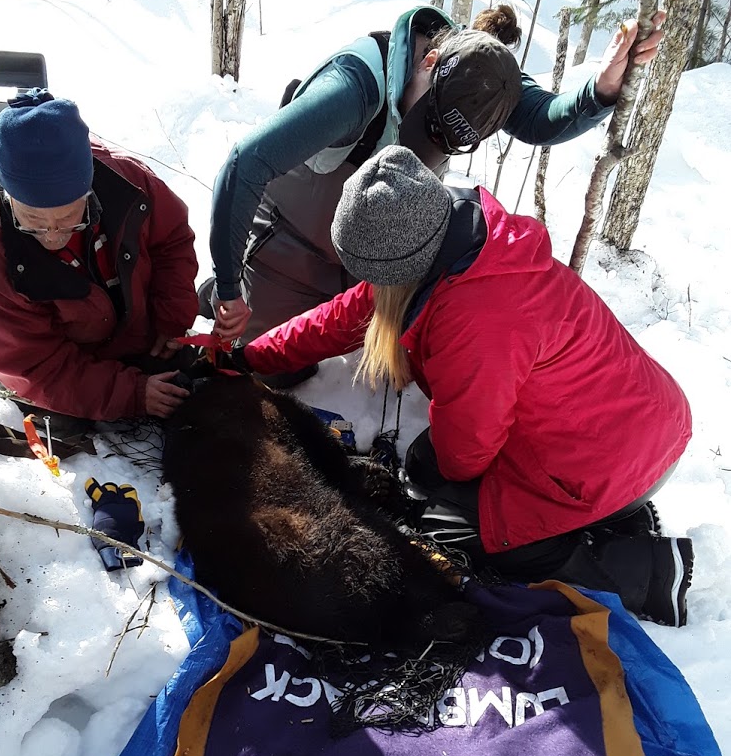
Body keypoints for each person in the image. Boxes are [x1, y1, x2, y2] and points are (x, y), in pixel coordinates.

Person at [236, 145, 695, 628]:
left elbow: (466, 454)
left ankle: (643, 575)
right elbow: (344, 314)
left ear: (397, 264)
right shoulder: (452, 242)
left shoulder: (477, 317)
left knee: (448, 522)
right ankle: (599, 520)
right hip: (634, 422)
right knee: (441, 477)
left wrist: (424, 473)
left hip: (613, 462)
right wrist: (252, 356)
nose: (367, 283)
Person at [205, 3, 665, 347]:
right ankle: (226, 284)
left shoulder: (482, 78)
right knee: (277, 365)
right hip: (291, 240)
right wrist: (229, 289)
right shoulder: (352, 88)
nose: (425, 143)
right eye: (427, 124)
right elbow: (244, 165)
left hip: (365, 258)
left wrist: (602, 89)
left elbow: (540, 119)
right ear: (428, 63)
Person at [0, 91, 199, 427]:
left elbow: (172, 242)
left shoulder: (129, 183)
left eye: (70, 217)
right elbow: (35, 368)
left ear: (89, 189)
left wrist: (172, 318)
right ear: (8, 196)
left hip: (136, 334)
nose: (53, 236)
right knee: (65, 420)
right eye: (33, 222)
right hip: (57, 370)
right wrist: (132, 393)